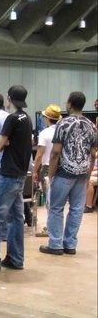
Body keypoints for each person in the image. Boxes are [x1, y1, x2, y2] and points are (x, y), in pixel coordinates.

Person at [39, 91, 98, 256]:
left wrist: (51, 174)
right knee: (76, 209)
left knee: (56, 208)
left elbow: (55, 152)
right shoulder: (91, 125)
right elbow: (93, 154)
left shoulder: (63, 124)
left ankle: (55, 244)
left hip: (64, 172)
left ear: (70, 103)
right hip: (82, 173)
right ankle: (70, 244)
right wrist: (87, 176)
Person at [0, 85, 33, 272]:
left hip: (8, 174)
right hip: (20, 173)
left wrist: (5, 141)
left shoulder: (12, 119)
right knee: (15, 216)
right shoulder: (26, 118)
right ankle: (15, 258)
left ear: (9, 98)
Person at [33, 104, 62, 235]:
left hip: (47, 168)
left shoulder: (44, 133)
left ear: (47, 119)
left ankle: (51, 229)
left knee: (49, 199)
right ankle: (56, 227)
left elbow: (39, 155)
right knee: (58, 200)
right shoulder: (62, 131)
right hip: (61, 168)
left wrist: (35, 171)